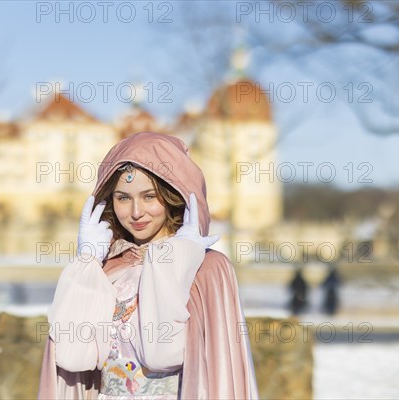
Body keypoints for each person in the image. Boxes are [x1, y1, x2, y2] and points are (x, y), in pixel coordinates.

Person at [38, 131, 258, 399]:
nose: (135, 212)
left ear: (174, 197)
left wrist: (175, 257)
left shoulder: (208, 269)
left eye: (149, 196)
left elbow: (162, 353)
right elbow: (73, 356)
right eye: (123, 198)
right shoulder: (108, 269)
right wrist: (87, 263)